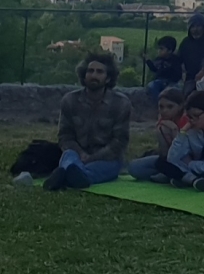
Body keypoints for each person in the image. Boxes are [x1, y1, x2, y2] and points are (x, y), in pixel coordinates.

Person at [36, 50, 132, 191]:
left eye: (99, 72)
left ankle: (67, 176)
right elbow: (65, 136)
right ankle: (74, 176)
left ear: (108, 78)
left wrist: (92, 158)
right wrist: (81, 154)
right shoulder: (70, 100)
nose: (94, 75)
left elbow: (119, 142)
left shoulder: (121, 104)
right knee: (69, 156)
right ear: (83, 75)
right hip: (76, 155)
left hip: (106, 159)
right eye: (90, 71)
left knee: (102, 167)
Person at [130, 90, 204, 189]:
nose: (193, 120)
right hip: (199, 168)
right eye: (190, 117)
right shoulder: (191, 128)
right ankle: (195, 181)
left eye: (197, 116)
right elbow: (172, 158)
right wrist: (182, 133)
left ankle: (189, 179)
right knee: (162, 163)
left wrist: (191, 164)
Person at [178, 13, 204, 93]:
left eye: (198, 26)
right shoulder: (186, 42)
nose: (195, 29)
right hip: (190, 79)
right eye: (192, 26)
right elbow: (179, 60)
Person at [145, 35, 182, 101]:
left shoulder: (175, 60)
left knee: (174, 91)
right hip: (159, 80)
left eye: (162, 49)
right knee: (151, 86)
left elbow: (178, 73)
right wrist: (148, 61)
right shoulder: (158, 59)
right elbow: (154, 69)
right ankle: (159, 101)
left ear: (170, 50)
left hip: (171, 82)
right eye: (159, 48)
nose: (159, 51)